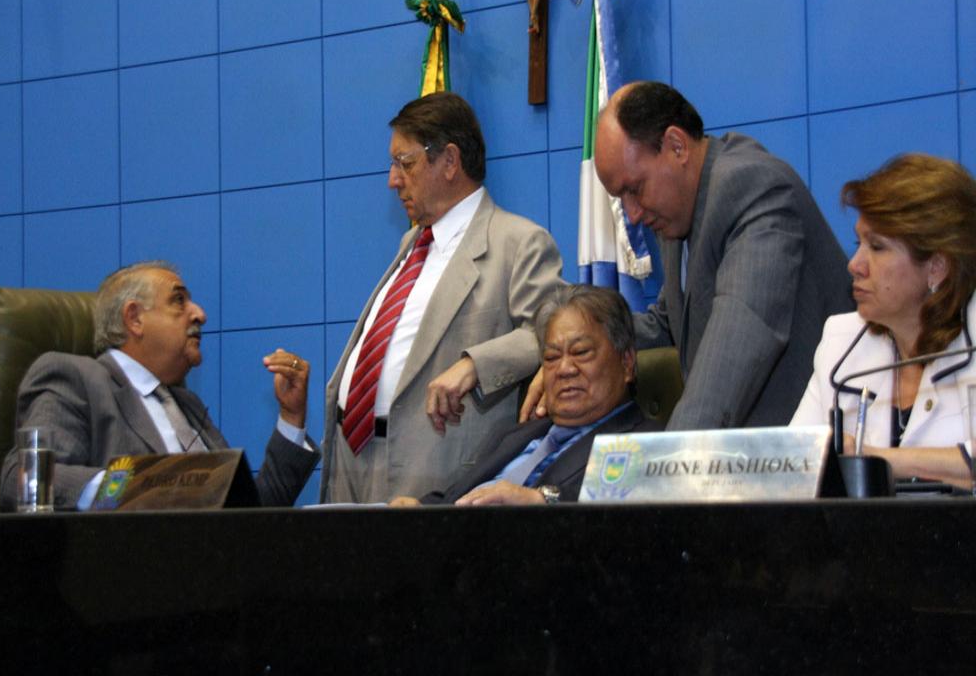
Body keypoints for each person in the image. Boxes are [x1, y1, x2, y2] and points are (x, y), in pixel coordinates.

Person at [523, 81, 853, 430]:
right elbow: (670, 320)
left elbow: (726, 367)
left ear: (676, 146)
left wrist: (670, 461)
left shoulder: (752, 188)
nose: (632, 214)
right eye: (621, 199)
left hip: (815, 448)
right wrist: (572, 351)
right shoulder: (680, 209)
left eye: (635, 189)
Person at [323, 92, 563, 503]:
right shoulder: (412, 243)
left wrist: (475, 364)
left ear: (450, 161)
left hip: (431, 473)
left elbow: (551, 334)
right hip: (349, 456)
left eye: (405, 163)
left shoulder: (519, 242)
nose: (393, 180)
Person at [0, 261, 318, 511]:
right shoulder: (76, 378)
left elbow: (253, 515)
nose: (200, 314)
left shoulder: (187, 405)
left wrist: (291, 418)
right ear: (134, 318)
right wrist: (147, 486)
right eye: (179, 301)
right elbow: (25, 480)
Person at [791, 154, 976, 488]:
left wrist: (874, 459)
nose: (855, 265)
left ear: (937, 267)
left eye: (877, 247)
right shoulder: (841, 340)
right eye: (858, 243)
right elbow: (795, 466)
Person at [391, 285, 662, 506]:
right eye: (551, 357)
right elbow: (456, 499)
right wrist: (418, 509)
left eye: (580, 353)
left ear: (627, 363)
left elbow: (619, 525)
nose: (564, 369)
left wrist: (542, 501)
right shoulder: (514, 436)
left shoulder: (646, 446)